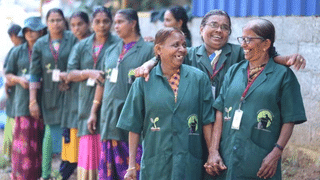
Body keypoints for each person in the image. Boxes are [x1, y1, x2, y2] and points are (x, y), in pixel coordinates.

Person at [208, 18, 307, 179]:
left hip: (261, 159)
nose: (243, 44)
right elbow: (220, 110)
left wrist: (276, 152)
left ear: (266, 44)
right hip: (227, 156)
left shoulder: (283, 76)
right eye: (242, 39)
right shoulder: (234, 71)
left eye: (248, 39)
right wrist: (213, 151)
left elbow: (290, 119)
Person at [117, 27, 214, 180]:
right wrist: (131, 166)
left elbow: (207, 120)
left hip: (188, 164)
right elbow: (134, 126)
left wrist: (212, 153)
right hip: (155, 165)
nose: (182, 49)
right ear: (158, 49)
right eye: (175, 45)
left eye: (183, 45)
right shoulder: (143, 82)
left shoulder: (199, 79)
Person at [87, 8, 154, 179]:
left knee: (134, 168)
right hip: (109, 117)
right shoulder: (111, 50)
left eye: (120, 22)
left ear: (133, 24)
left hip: (133, 119)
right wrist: (94, 112)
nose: (115, 26)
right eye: (115, 23)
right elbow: (102, 82)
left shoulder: (148, 49)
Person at [67, 6, 119, 179]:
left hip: (111, 102)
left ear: (111, 23)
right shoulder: (82, 45)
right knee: (89, 145)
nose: (102, 25)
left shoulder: (118, 44)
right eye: (97, 21)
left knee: (109, 146)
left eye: (106, 21)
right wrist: (88, 73)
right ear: (91, 23)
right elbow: (70, 73)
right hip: (85, 102)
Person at [29, 8, 78, 180]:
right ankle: (46, 174)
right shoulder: (40, 44)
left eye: (59, 20)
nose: (56, 24)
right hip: (48, 95)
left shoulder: (73, 39)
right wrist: (32, 101)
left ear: (64, 22)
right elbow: (34, 73)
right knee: (50, 131)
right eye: (52, 20)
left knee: (70, 133)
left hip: (71, 93)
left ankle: (64, 172)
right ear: (47, 23)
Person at [5, 16, 46, 180]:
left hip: (45, 101)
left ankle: (39, 175)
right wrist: (19, 79)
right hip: (22, 102)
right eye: (27, 30)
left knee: (39, 142)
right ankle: (20, 176)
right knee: (22, 144)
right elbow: (7, 74)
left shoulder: (46, 49)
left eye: (33, 30)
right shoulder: (17, 51)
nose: (30, 33)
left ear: (41, 31)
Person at [59, 11, 91, 180]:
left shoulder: (95, 43)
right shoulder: (72, 43)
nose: (76, 28)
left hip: (90, 97)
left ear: (88, 24)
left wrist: (73, 75)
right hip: (72, 97)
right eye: (73, 25)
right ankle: (65, 174)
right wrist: (66, 78)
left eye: (80, 24)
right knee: (71, 140)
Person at [2, 24, 24, 161]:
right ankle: (11, 155)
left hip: (17, 93)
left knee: (14, 123)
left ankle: (11, 155)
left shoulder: (15, 51)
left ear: (13, 36)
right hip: (14, 94)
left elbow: (7, 74)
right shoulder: (15, 51)